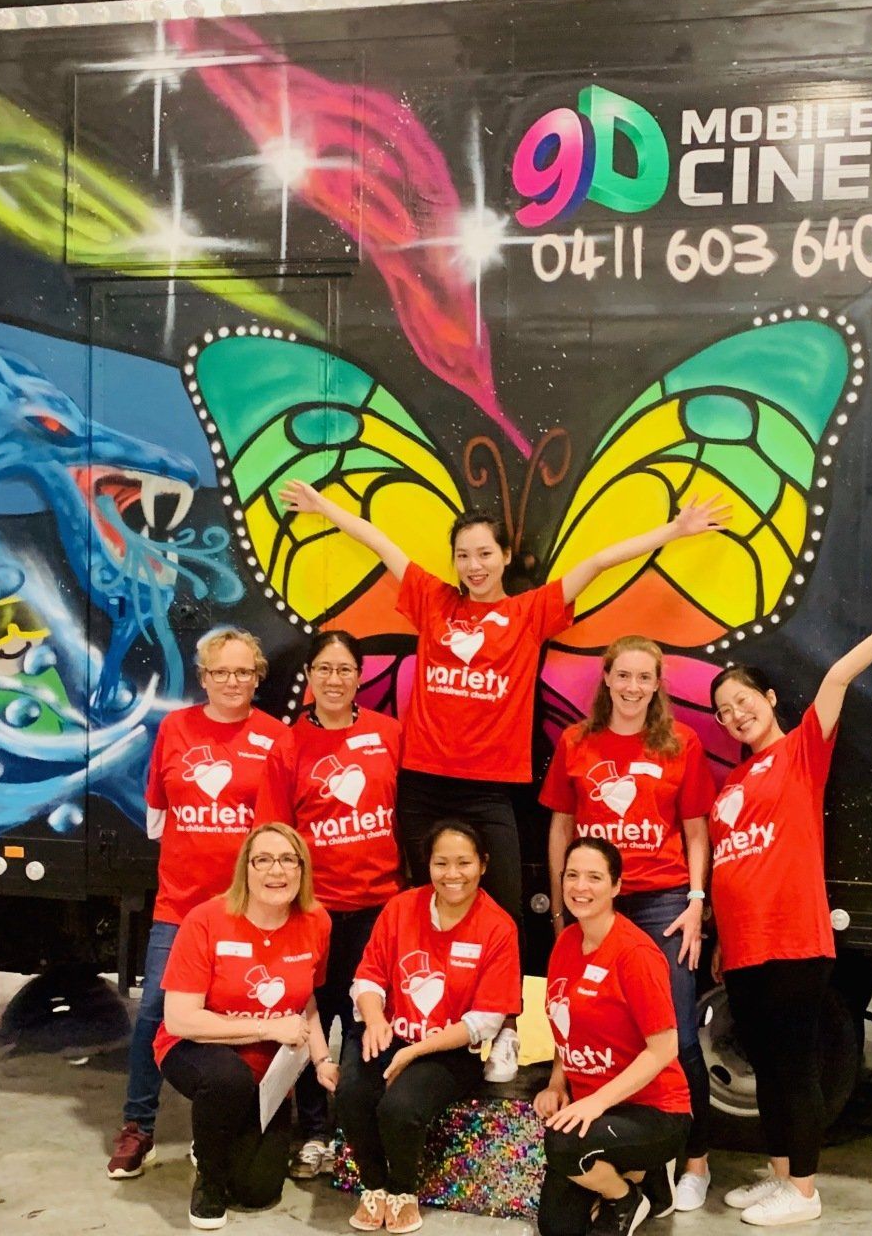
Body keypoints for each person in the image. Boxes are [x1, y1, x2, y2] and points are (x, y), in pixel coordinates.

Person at [278, 481, 729, 1080]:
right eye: (463, 555)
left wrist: (674, 532)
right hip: (425, 785)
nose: (473, 566)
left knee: (508, 911)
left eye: (484, 553)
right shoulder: (433, 601)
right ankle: (419, 1026)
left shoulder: (528, 612)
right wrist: (323, 507)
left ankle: (509, 1031)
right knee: (422, 908)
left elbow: (595, 563)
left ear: (505, 557)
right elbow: (376, 540)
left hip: (492, 790)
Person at [707, 588, 872, 1227]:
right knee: (767, 1069)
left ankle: (805, 1193)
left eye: (744, 701)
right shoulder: (730, 783)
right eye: (724, 710)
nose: (736, 714)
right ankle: (780, 1174)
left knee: (793, 1068)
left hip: (792, 943)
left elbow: (839, 675)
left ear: (771, 700)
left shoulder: (803, 750)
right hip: (745, 949)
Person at [109, 628, 295, 1179]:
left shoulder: (275, 737)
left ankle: (226, 1126)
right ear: (204, 677)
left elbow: (278, 834)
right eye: (220, 672)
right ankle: (137, 1126)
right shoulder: (175, 729)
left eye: (243, 672)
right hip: (181, 907)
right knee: (152, 1016)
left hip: (248, 909)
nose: (232, 682)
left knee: (250, 1017)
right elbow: (159, 812)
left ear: (258, 676)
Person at [541, 636, 714, 1212]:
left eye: (645, 678)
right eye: (624, 676)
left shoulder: (681, 742)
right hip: (594, 898)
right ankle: (635, 1162)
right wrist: (565, 902)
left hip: (663, 901)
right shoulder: (576, 742)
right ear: (607, 679)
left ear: (657, 684)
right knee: (596, 1025)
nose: (634, 687)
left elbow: (694, 828)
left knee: (677, 1036)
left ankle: (696, 1163)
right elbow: (562, 828)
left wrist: (695, 899)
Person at [257, 629, 405, 1179]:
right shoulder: (287, 745)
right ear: (310, 677)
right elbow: (274, 836)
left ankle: (361, 1130)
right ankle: (315, 1131)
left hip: (378, 907)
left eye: (345, 669)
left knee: (369, 1021)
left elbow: (406, 818)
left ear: (359, 675)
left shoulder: (389, 734)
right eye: (325, 669)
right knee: (308, 1021)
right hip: (314, 911)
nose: (335, 679)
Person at [338, 820, 523, 1235]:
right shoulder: (401, 907)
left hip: (451, 1049)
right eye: (441, 863)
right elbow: (367, 979)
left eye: (463, 863)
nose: (452, 874)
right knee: (351, 1091)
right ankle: (375, 1185)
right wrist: (374, 1019)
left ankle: (403, 1191)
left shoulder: (497, 926)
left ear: (483, 865)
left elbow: (487, 1019)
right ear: (428, 865)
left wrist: (416, 1051)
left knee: (400, 1108)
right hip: (389, 1030)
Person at [155, 822, 336, 1229]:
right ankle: (209, 1180)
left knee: (259, 1191)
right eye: (264, 860)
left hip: (269, 1071)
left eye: (289, 860)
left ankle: (223, 1142)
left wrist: (322, 1060)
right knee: (228, 1080)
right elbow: (180, 1019)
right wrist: (267, 1030)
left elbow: (305, 999)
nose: (278, 871)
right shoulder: (207, 920)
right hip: (194, 1049)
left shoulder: (315, 921)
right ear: (246, 869)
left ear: (303, 870)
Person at [536, 837, 692, 1236]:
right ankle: (645, 1178)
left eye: (594, 877)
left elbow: (665, 1048)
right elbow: (564, 1023)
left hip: (653, 1111)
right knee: (557, 1228)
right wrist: (557, 1084)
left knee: (563, 1144)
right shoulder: (566, 943)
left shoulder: (635, 953)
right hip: (596, 1109)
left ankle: (627, 1196)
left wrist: (596, 1103)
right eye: (572, 875)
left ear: (617, 886)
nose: (580, 887)